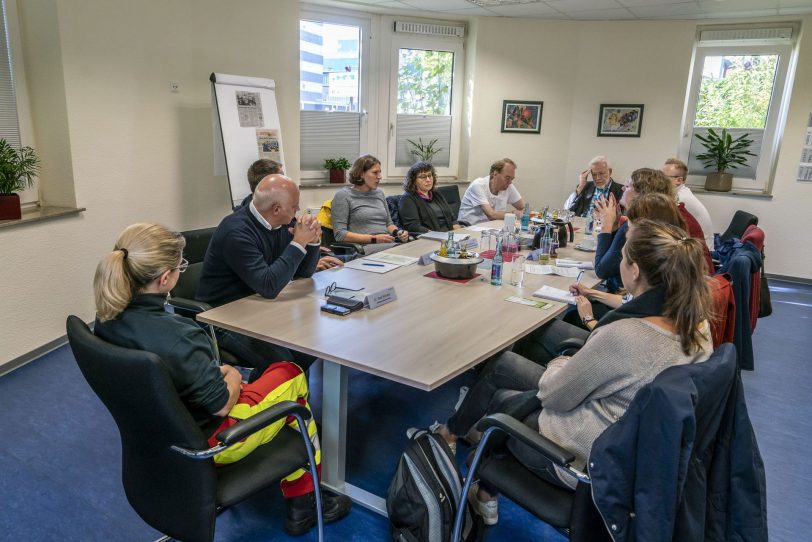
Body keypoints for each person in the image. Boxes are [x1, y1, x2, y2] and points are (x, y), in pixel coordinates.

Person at [434, 220, 713, 525]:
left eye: (622, 257)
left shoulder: (628, 334)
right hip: (634, 456)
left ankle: (467, 454)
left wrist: (563, 361)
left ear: (634, 271)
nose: (619, 261)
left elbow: (554, 396)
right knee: (528, 361)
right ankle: (483, 483)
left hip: (581, 459)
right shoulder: (697, 324)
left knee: (505, 383)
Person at [92, 223, 351, 536]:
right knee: (290, 372)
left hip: (155, 440)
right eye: (180, 267)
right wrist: (229, 373)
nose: (181, 271)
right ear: (165, 278)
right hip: (212, 443)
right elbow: (220, 404)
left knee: (270, 375)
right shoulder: (179, 336)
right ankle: (304, 504)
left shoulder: (105, 321)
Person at [514, 193, 691, 364]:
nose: (626, 229)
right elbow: (628, 302)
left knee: (526, 343)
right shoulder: (672, 286)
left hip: (601, 353)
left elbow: (603, 269)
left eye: (630, 224)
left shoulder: (634, 326)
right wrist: (592, 293)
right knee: (541, 332)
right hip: (613, 349)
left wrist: (588, 320)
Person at [196, 174, 321, 374]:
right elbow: (268, 286)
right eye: (295, 206)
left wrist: (312, 241)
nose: (298, 210)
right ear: (276, 209)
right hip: (223, 316)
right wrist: (298, 243)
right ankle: (268, 399)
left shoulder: (284, 222)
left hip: (259, 306)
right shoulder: (236, 231)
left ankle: (278, 390)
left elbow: (304, 273)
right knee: (284, 364)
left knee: (310, 347)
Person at [241, 160, 342, 271]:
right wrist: (301, 244)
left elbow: (302, 266)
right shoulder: (242, 230)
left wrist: (312, 241)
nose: (297, 209)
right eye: (283, 180)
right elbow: (267, 278)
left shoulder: (283, 216)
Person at [592, 168, 674, 293]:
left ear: (641, 194)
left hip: (622, 295)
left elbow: (602, 270)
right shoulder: (656, 220)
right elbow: (612, 259)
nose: (623, 188)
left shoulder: (638, 226)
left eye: (628, 185)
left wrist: (606, 226)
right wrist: (614, 226)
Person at [330, 154, 410, 254]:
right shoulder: (343, 195)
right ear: (361, 174)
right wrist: (374, 239)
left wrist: (398, 232)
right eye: (375, 172)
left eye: (380, 172)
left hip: (387, 244)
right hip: (363, 248)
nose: (380, 177)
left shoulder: (379, 193)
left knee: (415, 250)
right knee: (406, 254)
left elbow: (388, 224)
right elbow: (340, 235)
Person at [662, 158, 715, 249]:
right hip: (694, 246)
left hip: (702, 252)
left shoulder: (681, 198)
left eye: (664, 177)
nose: (659, 180)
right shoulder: (680, 193)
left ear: (679, 180)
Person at [398, 161, 462, 235]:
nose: (428, 180)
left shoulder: (436, 194)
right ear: (414, 181)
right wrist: (436, 235)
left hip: (449, 235)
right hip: (430, 238)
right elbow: (413, 226)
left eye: (430, 175)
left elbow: (452, 218)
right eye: (423, 177)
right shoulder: (408, 199)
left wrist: (459, 234)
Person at [457, 158, 525, 225]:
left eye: (512, 179)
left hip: (490, 229)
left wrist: (520, 213)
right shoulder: (478, 185)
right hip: (469, 228)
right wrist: (512, 215)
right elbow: (491, 215)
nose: (510, 182)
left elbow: (522, 208)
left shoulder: (508, 186)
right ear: (495, 174)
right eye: (507, 178)